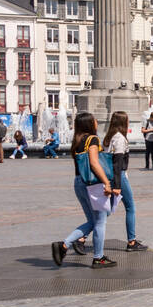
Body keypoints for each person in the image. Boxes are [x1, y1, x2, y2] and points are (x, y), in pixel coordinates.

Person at [51, 112, 118, 269]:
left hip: (79, 182)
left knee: (92, 221)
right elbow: (94, 163)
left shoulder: (77, 141)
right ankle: (98, 257)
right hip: (92, 184)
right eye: (94, 120)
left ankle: (64, 245)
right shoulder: (92, 139)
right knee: (100, 221)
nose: (96, 122)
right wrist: (106, 182)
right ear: (90, 123)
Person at [103, 111, 147, 251]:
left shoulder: (108, 138)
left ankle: (81, 237)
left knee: (105, 211)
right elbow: (118, 162)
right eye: (127, 120)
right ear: (123, 123)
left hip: (109, 175)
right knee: (130, 207)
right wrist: (117, 185)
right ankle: (131, 241)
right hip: (119, 177)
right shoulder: (120, 138)